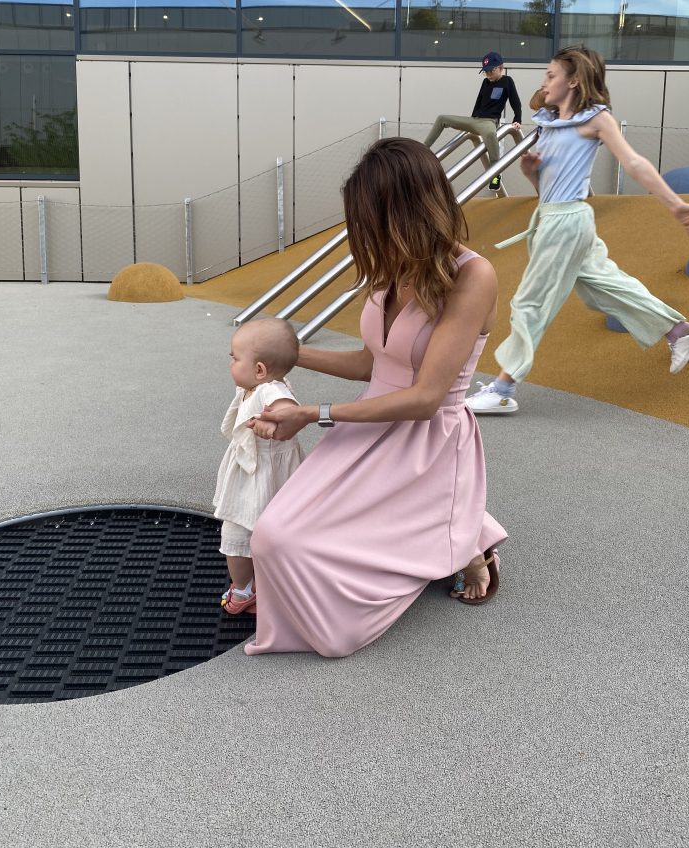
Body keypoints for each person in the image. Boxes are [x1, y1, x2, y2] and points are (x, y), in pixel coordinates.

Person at [242, 137, 507, 658]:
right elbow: (372, 363)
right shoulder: (391, 268)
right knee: (273, 538)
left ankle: (463, 544)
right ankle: (455, 535)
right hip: (368, 423)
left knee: (301, 554)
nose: (360, 234)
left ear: (406, 213)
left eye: (369, 220)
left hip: (427, 441)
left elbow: (426, 397)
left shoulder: (472, 276)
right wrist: (284, 356)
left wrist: (311, 415)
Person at [466, 45, 689, 416]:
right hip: (555, 217)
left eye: (551, 75)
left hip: (568, 222)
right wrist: (533, 174)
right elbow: (547, 188)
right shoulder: (548, 123)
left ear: (574, 80)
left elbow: (635, 162)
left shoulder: (597, 119)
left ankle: (502, 389)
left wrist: (675, 204)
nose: (544, 82)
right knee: (606, 287)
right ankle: (682, 331)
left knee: (530, 302)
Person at [212, 318, 303, 615]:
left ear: (260, 369)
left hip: (261, 475)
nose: (230, 362)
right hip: (255, 471)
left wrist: (272, 419)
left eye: (235, 358)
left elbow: (288, 407)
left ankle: (243, 589)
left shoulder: (269, 389)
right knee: (259, 532)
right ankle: (260, 587)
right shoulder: (253, 386)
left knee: (237, 533)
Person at [423, 50, 523, 190]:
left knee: (490, 134)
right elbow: (478, 102)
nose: (488, 75)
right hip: (476, 119)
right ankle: (423, 148)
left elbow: (515, 102)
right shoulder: (485, 82)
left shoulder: (507, 81)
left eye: (490, 71)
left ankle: (495, 173)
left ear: (500, 67)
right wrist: (470, 122)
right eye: (485, 72)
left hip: (489, 122)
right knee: (441, 118)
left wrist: (517, 119)